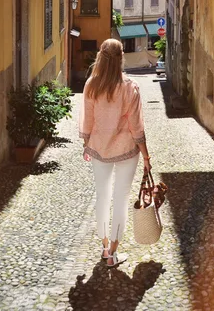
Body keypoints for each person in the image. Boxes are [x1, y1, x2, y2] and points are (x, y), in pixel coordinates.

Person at [79, 38, 151, 268]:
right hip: (127, 151)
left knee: (102, 197)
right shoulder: (130, 88)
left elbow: (87, 122)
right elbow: (137, 127)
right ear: (121, 59)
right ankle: (113, 252)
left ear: (100, 57)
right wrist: (146, 157)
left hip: (99, 149)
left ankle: (103, 247)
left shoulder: (91, 85)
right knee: (120, 199)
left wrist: (87, 144)